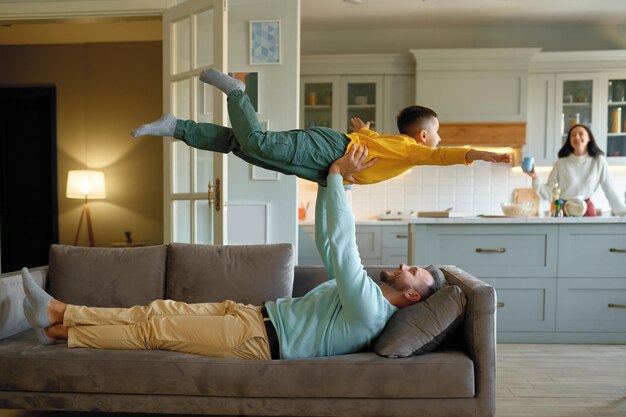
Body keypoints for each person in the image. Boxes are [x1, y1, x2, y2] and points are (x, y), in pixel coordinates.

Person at [21, 145, 446, 360]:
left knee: (157, 332)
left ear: (411, 296)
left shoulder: (372, 308)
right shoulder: (365, 293)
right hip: (251, 314)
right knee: (156, 310)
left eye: (415, 274)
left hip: (258, 340)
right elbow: (330, 243)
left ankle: (63, 329)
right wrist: (329, 184)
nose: (405, 266)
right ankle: (60, 311)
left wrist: (338, 178)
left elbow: (344, 245)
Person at [132, 68, 512, 186]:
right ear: (423, 136)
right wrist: (484, 155)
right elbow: (447, 155)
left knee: (242, 145)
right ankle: (236, 92)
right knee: (258, 142)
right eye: (437, 132)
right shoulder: (416, 151)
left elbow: (373, 139)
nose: (438, 141)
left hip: (324, 165)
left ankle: (177, 127)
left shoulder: (396, 145)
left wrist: (365, 131)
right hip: (329, 151)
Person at [523, 124, 626, 216]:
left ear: (589, 138)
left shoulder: (599, 161)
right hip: (563, 211)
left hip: (587, 211)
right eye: (573, 135)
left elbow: (611, 191)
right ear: (569, 140)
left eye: (581, 134)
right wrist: (534, 177)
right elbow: (549, 193)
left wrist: (623, 212)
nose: (577, 137)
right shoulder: (560, 163)